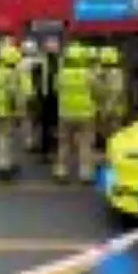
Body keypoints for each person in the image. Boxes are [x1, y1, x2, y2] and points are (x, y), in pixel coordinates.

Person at [53, 42, 98, 182]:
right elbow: (97, 90)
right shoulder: (89, 74)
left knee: (64, 143)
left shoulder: (61, 74)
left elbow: (56, 89)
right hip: (86, 114)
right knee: (85, 144)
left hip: (65, 113)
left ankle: (61, 171)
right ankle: (85, 173)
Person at [0, 42, 23, 180]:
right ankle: (5, 166)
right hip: (8, 109)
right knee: (7, 138)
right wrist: (18, 111)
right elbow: (14, 93)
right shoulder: (13, 74)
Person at [34, 36, 61, 161]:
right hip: (52, 98)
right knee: (51, 125)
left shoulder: (41, 62)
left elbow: (36, 80)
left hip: (48, 97)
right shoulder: (60, 62)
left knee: (48, 126)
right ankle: (49, 150)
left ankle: (48, 150)